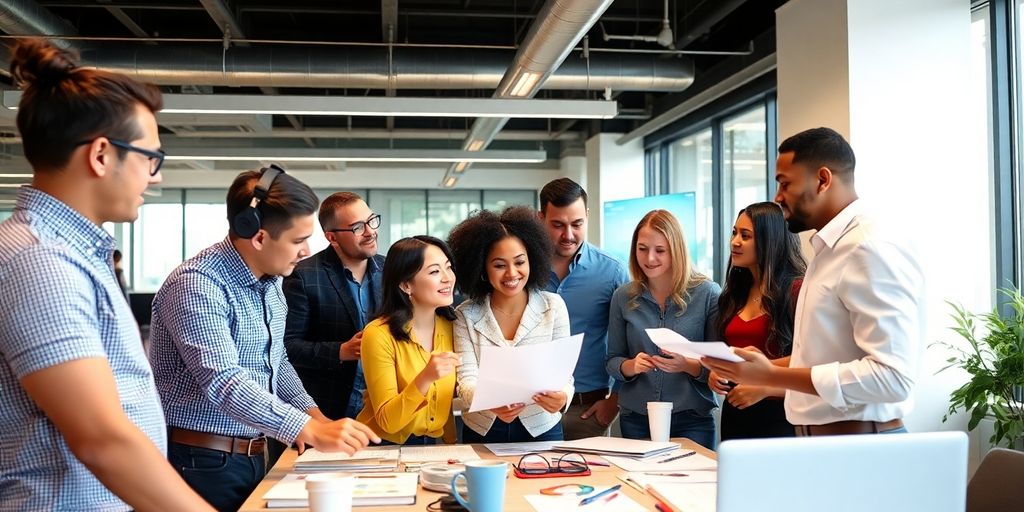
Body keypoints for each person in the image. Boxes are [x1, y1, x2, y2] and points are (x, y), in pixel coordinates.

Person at [0, 38, 213, 510]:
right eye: (150, 158)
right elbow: (101, 439)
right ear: (101, 155)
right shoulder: (41, 262)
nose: (155, 177)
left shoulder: (75, 253)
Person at [148, 168, 379, 511]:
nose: (306, 251)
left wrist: (317, 418)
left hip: (256, 450)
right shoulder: (198, 285)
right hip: (203, 460)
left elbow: (277, 362)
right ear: (258, 237)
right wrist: (305, 428)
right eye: (298, 240)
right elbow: (224, 381)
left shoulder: (270, 284)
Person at [701, 127, 925, 436]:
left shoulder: (867, 247)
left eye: (785, 184)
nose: (778, 197)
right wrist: (751, 370)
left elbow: (892, 378)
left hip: (860, 443)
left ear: (823, 179)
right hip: (822, 440)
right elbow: (820, 359)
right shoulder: (828, 250)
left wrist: (770, 378)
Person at [448, 206, 573, 443]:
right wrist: (490, 400)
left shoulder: (553, 306)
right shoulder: (466, 315)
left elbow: (564, 375)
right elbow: (466, 378)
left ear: (533, 259)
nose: (511, 273)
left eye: (519, 262)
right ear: (482, 267)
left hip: (542, 426)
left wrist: (564, 396)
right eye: (499, 265)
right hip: (483, 427)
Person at [606, 209, 721, 449]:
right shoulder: (623, 297)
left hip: (692, 419)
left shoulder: (707, 294)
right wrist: (631, 366)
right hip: (636, 418)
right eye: (642, 249)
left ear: (676, 250)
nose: (649, 259)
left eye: (660, 250)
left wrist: (686, 365)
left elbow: (718, 367)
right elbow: (612, 360)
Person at [538, 178, 629, 440]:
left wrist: (614, 403)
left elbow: (633, 341)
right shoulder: (522, 271)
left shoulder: (612, 271)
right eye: (557, 225)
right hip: (532, 411)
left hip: (589, 411)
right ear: (540, 218)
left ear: (587, 216)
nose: (568, 235)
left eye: (577, 224)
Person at [710, 202, 806, 441]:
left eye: (745, 236)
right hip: (736, 413)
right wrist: (715, 372)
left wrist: (766, 388)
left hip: (781, 417)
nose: (735, 242)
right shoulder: (734, 294)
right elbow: (727, 353)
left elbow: (813, 364)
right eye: (734, 233)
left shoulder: (797, 291)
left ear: (769, 240)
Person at [284, 192, 383, 420]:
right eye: (358, 227)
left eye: (371, 221)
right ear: (332, 238)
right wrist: (341, 351)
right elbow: (287, 347)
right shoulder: (303, 275)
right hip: (326, 409)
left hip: (381, 412)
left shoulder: (390, 271)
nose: (370, 232)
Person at [356, 236, 461, 445]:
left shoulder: (454, 326)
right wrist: (425, 378)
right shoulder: (378, 334)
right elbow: (388, 422)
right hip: (381, 447)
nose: (447, 278)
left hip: (434, 446)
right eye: (434, 271)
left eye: (448, 268)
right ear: (406, 285)